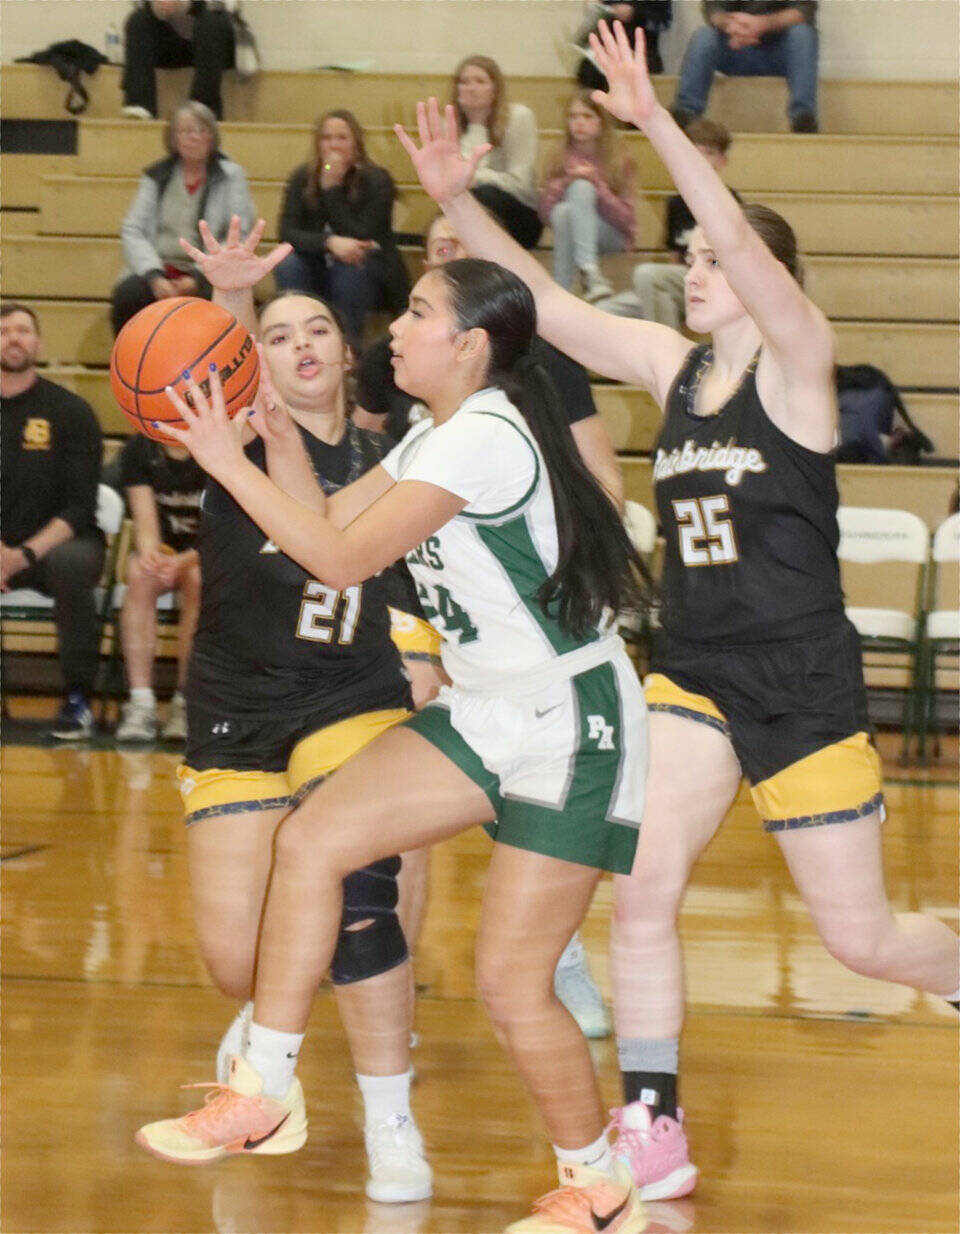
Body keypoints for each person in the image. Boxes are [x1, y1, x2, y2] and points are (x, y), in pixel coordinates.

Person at [395, 26, 960, 1205]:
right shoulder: (672, 365)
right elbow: (548, 304)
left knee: (860, 940)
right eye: (687, 253)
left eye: (709, 257)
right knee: (642, 885)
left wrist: (653, 121)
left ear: (764, 277)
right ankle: (652, 1122)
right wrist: (458, 201)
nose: (693, 267)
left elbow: (743, 242)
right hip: (695, 668)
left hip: (801, 682)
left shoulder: (801, 363)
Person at [135, 232, 653, 1231]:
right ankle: (264, 1089)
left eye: (419, 312)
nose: (397, 330)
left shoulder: (483, 435)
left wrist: (219, 460)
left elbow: (339, 561)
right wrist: (272, 437)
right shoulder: (434, 430)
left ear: (469, 345)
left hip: (568, 720)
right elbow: (324, 516)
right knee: (313, 840)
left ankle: (599, 1183)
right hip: (487, 706)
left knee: (512, 984)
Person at [135, 217, 443, 1202]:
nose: (299, 344)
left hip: (352, 693)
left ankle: (391, 1121)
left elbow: (421, 579)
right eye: (277, 334)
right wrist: (230, 296)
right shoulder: (234, 434)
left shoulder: (397, 456)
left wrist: (426, 659)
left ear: (349, 355)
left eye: (317, 330)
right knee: (240, 962)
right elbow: (211, 369)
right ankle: (271, 1032)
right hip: (237, 708)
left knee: (364, 903)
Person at [354, 209, 625, 1040]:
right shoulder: (404, 383)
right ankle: (388, 1003)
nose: (439, 254)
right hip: (421, 589)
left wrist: (545, 546)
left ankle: (553, 940)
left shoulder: (534, 380)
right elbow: (353, 489)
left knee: (526, 788)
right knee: (370, 820)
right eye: (431, 248)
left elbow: (606, 494)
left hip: (520, 619)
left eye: (456, 247)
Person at [1, 303, 104, 740]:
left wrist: (20, 556)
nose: (13, 338)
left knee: (71, 563)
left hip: (58, 545)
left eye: (22, 330)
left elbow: (80, 506)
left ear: (39, 344)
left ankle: (78, 699)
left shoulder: (70, 412)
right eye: (3, 331)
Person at [111, 100, 255, 336]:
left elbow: (238, 234)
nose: (194, 137)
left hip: (211, 271)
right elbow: (133, 229)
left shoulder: (231, 176)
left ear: (212, 137)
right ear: (174, 138)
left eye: (201, 130)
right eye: (186, 131)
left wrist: (199, 275)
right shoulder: (156, 176)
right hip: (159, 267)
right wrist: (154, 276)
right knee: (128, 296)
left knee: (219, 298)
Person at [275, 109, 409, 347]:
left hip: (369, 267)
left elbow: (364, 233)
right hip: (317, 262)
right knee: (289, 264)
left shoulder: (377, 179)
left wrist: (332, 190)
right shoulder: (301, 177)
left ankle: (347, 347)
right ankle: (295, 338)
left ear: (356, 143)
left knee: (349, 269)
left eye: (341, 137)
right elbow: (287, 232)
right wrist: (329, 243)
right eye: (326, 138)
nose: (333, 145)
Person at [598, 117, 737, 326]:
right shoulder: (677, 203)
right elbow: (675, 257)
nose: (700, 158)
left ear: (722, 161)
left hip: (715, 282)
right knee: (604, 310)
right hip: (682, 282)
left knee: (646, 275)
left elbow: (733, 261)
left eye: (708, 153)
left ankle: (668, 343)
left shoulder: (730, 203)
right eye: (694, 151)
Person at [114, 435, 204, 743]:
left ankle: (186, 700)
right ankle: (141, 702)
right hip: (167, 550)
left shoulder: (216, 442)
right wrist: (154, 557)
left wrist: (184, 561)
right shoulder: (139, 448)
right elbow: (146, 524)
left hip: (208, 551)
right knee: (139, 572)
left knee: (199, 579)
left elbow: (223, 528)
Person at [539, 90, 636, 301]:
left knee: (582, 187)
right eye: (573, 116)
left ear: (601, 122)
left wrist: (597, 185)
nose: (579, 123)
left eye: (587, 116)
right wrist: (567, 181)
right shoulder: (558, 155)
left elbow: (626, 219)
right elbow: (546, 215)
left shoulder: (619, 157)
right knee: (563, 213)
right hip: (569, 228)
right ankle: (579, 280)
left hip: (610, 234)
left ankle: (578, 277)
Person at [672, 1, 819, 133]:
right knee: (704, 36)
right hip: (736, 46)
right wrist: (732, 25)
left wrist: (762, 24)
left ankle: (803, 117)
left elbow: (804, 11)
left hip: (780, 53)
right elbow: (713, 10)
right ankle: (686, 113)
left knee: (803, 35)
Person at [451, 55, 542, 249]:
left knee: (485, 195)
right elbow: (453, 183)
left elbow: (521, 185)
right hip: (471, 211)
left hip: (519, 214)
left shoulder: (518, 117)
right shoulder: (450, 124)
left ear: (495, 89)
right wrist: (475, 123)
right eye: (464, 82)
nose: (471, 88)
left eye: (480, 81)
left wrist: (477, 177)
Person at [121, 0, 235, 121]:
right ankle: (140, 107)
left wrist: (185, 5)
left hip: (213, 43)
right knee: (138, 20)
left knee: (212, 20)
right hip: (173, 46)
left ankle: (202, 109)